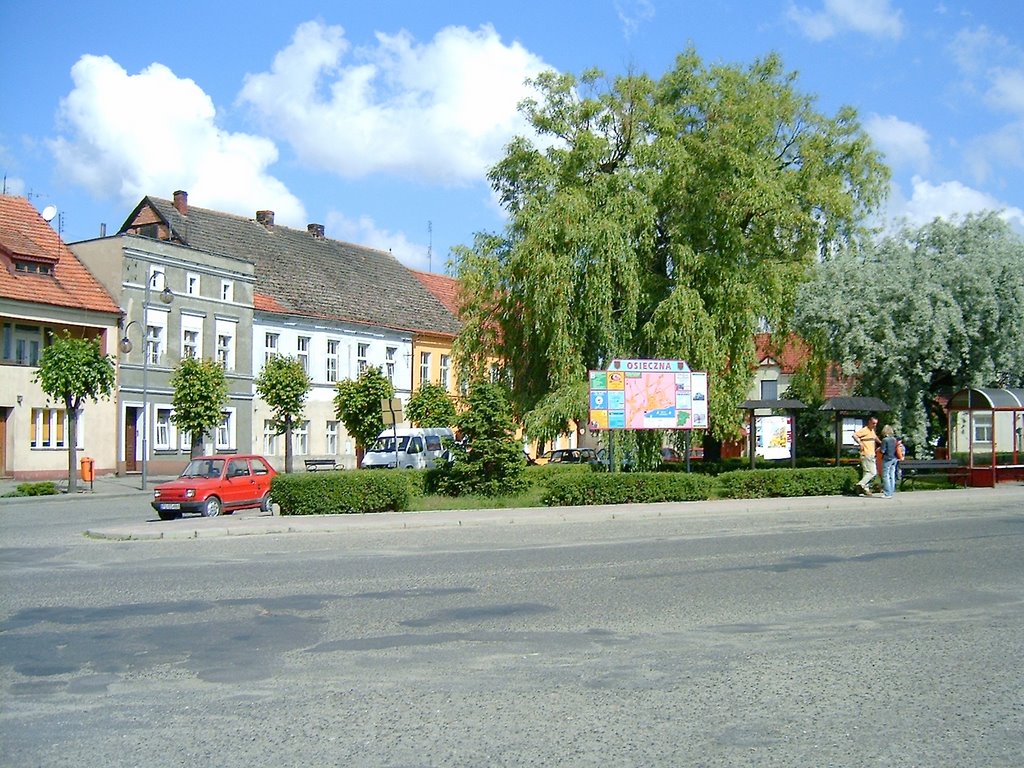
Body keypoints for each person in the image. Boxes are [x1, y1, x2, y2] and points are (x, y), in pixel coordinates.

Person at [852, 416, 880, 496]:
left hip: (871, 453)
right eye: (873, 423)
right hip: (866, 454)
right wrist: (860, 443)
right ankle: (861, 484)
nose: (874, 425)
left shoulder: (872, 431)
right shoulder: (865, 430)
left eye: (876, 424)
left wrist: (881, 443)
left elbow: (875, 438)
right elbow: (855, 435)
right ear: (869, 422)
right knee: (873, 472)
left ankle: (864, 490)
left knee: (867, 472)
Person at [879, 425, 898, 498]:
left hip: (887, 459)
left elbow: (882, 450)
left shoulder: (885, 440)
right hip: (894, 458)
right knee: (892, 475)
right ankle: (891, 491)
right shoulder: (894, 439)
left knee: (885, 475)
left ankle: (887, 493)